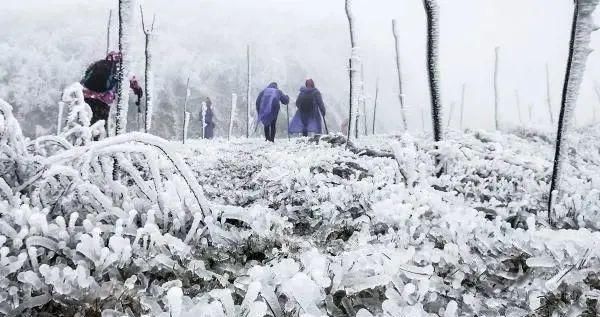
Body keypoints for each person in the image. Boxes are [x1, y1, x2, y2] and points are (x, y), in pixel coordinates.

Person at [81, 51, 143, 133]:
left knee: (85, 123)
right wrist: (138, 91)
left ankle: (83, 142)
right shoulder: (119, 69)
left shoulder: (97, 64)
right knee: (100, 127)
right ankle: (97, 143)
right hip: (103, 102)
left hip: (86, 98)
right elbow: (132, 80)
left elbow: (85, 77)